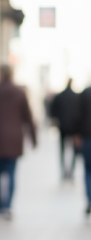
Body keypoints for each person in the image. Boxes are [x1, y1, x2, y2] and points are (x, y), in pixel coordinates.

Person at [0, 65, 36, 218]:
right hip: (14, 139)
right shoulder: (20, 92)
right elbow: (28, 117)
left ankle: (0, 207)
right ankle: (8, 207)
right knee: (11, 173)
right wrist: (34, 138)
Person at [50, 78, 80, 179]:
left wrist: (56, 120)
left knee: (62, 151)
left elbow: (52, 110)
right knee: (74, 151)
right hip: (73, 127)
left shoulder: (59, 96)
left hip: (62, 126)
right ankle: (71, 172)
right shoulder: (76, 96)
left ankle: (63, 172)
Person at [75, 86, 91, 215]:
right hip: (86, 137)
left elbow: (77, 115)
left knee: (88, 171)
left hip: (87, 138)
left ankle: (90, 199)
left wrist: (76, 134)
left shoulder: (85, 93)